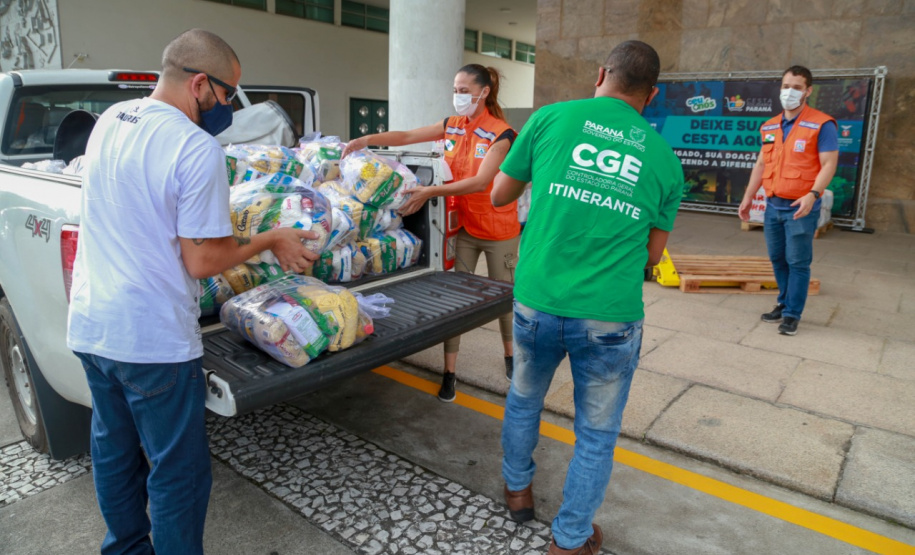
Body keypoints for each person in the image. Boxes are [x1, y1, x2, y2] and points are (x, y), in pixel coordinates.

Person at [66, 29, 318, 554]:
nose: (229, 108)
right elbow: (202, 260)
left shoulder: (111, 119)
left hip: (92, 326)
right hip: (150, 338)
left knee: (114, 452)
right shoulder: (194, 146)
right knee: (177, 471)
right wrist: (270, 238)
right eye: (228, 95)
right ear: (200, 84)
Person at [491, 40, 683, 554]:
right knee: (596, 433)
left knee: (524, 398)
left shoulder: (551, 118)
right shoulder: (664, 157)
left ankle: (517, 492)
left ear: (602, 74)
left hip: (537, 301)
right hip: (609, 317)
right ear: (652, 94)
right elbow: (652, 254)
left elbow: (498, 195)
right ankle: (570, 539)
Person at [342, 64, 519, 402]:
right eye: (456, 88)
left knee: (503, 299)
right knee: (457, 300)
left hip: (499, 230)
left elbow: (482, 182)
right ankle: (449, 373)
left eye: (465, 90)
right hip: (463, 228)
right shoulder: (451, 126)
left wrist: (428, 193)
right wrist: (367, 140)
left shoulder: (502, 134)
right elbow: (408, 137)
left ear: (484, 92)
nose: (458, 95)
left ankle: (511, 356)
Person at [738, 65, 838, 336]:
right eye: (785, 86)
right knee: (778, 259)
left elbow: (829, 164)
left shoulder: (821, 124)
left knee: (798, 261)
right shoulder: (770, 125)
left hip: (800, 206)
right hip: (772, 205)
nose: (789, 92)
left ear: (808, 91)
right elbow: (761, 163)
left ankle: (793, 314)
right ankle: (783, 303)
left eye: (796, 87)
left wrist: (813, 195)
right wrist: (748, 198)